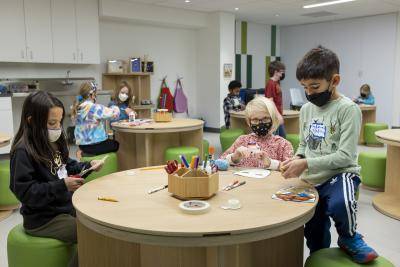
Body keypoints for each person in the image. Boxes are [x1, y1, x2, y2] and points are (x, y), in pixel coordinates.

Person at [281, 46, 378, 264]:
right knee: (314, 229)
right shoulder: (306, 109)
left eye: (315, 86)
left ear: (334, 81)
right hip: (313, 177)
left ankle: (349, 238)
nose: (309, 93)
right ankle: (318, 255)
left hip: (341, 174)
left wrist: (305, 162)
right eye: (304, 87)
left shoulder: (348, 109)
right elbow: (304, 144)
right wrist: (297, 158)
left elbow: (345, 156)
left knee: (340, 203)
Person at [10, 91, 104, 267]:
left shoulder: (53, 141)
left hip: (63, 208)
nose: (57, 128)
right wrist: (61, 186)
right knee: (91, 234)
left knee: (101, 221)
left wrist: (88, 165)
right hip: (43, 219)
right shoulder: (23, 151)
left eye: (60, 122)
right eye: (52, 123)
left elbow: (67, 166)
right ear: (31, 121)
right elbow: (26, 193)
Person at [220, 96, 293, 169]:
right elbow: (219, 163)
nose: (260, 124)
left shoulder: (283, 145)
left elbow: (292, 170)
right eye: (255, 120)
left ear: (273, 119)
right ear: (249, 122)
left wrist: (271, 163)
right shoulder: (242, 141)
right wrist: (234, 158)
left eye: (265, 119)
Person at [72, 82, 120, 156]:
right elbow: (114, 113)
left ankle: (85, 153)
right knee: (115, 144)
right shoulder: (95, 107)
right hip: (96, 145)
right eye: (95, 94)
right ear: (92, 95)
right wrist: (114, 106)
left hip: (82, 146)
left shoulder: (77, 108)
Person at [265, 60, 286, 138]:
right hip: (274, 117)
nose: (282, 74)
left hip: (277, 116)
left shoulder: (277, 83)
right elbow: (270, 101)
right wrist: (278, 116)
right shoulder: (270, 84)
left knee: (282, 138)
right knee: (277, 139)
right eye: (281, 71)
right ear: (275, 71)